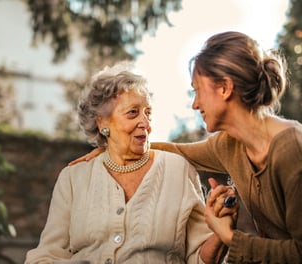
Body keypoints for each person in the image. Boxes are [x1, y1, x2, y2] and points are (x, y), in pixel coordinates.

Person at [70, 31, 302, 263]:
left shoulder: (292, 149)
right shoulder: (229, 145)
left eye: (197, 90)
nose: (195, 104)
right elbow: (178, 151)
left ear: (224, 88)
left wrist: (228, 236)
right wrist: (115, 146)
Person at [25, 63, 235, 264]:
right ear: (102, 122)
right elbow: (48, 253)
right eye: (133, 112)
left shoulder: (177, 170)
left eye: (148, 113)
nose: (145, 123)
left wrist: (220, 232)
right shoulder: (73, 178)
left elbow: (199, 258)